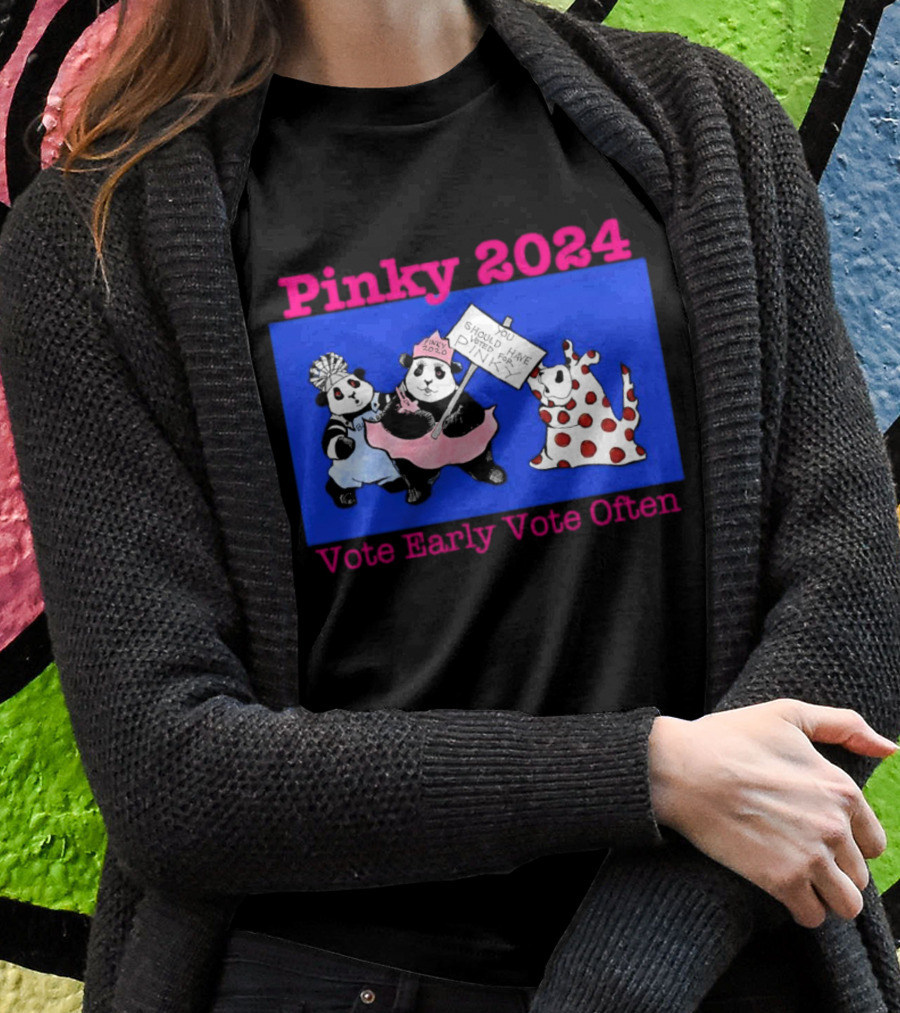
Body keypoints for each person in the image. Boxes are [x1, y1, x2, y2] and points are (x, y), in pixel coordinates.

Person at [1, 0, 899, 1010]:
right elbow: (174, 773)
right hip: (341, 980)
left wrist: (629, 970)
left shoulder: (703, 127)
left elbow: (852, 602)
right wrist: (647, 773)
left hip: (712, 966)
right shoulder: (101, 239)